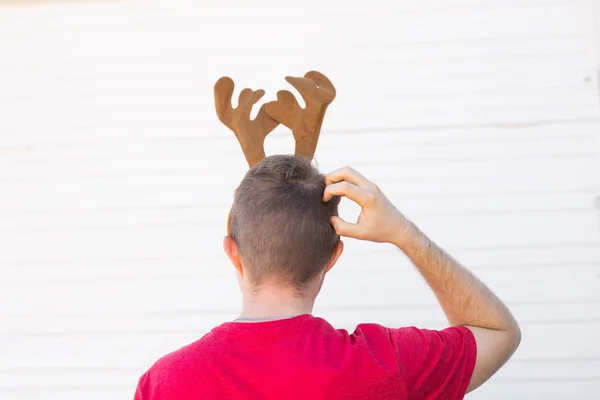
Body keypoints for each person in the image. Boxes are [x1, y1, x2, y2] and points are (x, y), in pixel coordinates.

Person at [133, 155, 521, 400]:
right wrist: (403, 233)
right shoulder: (387, 364)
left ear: (232, 251)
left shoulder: (163, 385)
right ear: (334, 256)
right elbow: (498, 333)